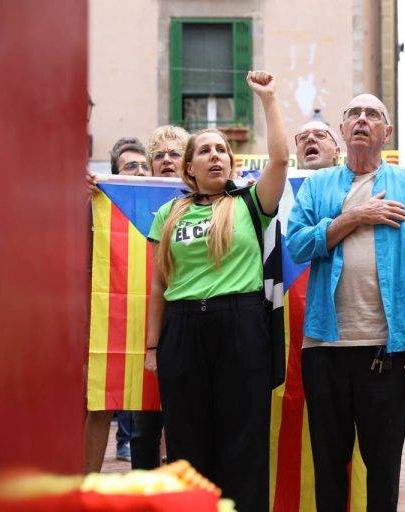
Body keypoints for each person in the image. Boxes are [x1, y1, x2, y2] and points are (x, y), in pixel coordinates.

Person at [287, 93, 405, 512]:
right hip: (325, 347)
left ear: (385, 132)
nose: (361, 119)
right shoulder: (317, 185)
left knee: (384, 466)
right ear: (342, 128)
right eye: (353, 113)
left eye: (372, 114)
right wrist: (355, 216)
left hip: (385, 348)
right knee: (329, 464)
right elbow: (297, 246)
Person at [145, 70, 288, 512]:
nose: (214, 157)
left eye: (221, 150)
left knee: (243, 443)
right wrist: (153, 347)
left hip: (241, 326)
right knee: (188, 444)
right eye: (204, 151)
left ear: (232, 161)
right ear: (189, 167)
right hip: (183, 330)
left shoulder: (250, 203)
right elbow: (157, 286)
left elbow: (281, 161)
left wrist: (268, 100)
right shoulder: (168, 213)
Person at [83, 137, 148, 473]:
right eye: (129, 167)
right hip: (111, 314)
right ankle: (85, 487)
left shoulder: (171, 200)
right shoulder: (97, 202)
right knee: (100, 403)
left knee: (157, 409)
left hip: (154, 313)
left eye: (142, 165)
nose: (138, 171)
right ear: (113, 175)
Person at [131, 125, 191, 471]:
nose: (166, 161)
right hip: (141, 324)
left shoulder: (211, 197)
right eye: (159, 155)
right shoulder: (127, 195)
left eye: (175, 154)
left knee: (185, 423)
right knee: (142, 425)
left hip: (187, 323)